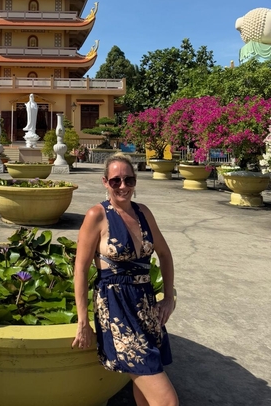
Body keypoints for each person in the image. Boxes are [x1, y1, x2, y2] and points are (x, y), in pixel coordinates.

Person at [72, 153, 178, 406]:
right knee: (166, 401)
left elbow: (164, 253)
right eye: (116, 180)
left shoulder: (143, 213)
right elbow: (81, 268)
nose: (123, 186)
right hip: (117, 309)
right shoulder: (97, 215)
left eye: (128, 180)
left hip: (146, 306)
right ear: (105, 182)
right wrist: (83, 321)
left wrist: (168, 297)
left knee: (144, 392)